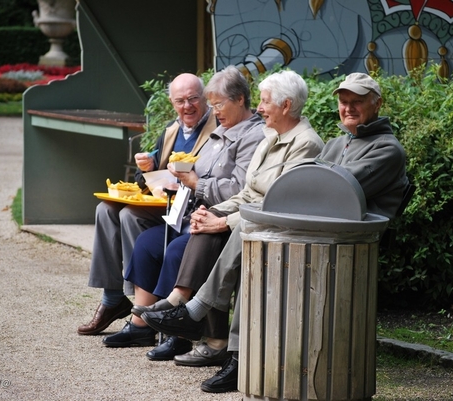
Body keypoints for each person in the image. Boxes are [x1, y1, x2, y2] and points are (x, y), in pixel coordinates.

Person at [142, 72, 408, 393]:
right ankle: (218, 339)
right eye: (344, 102)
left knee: (252, 229)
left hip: (342, 241)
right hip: (315, 231)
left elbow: (328, 190)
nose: (348, 108)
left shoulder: (386, 149)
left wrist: (236, 217)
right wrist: (219, 213)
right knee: (246, 230)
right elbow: (288, 190)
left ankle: (204, 322)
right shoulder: (339, 142)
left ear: (377, 104)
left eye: (357, 102)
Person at [138, 69, 324, 388]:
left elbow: (277, 203)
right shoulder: (270, 136)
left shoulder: (305, 144)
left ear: (286, 105)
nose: (259, 108)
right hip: (252, 219)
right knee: (203, 224)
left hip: (280, 228)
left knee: (216, 230)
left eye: (265, 102)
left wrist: (222, 220)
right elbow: (248, 193)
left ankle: (200, 323)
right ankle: (190, 315)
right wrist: (214, 213)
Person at [100, 66, 265, 360]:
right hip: (191, 210)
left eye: (217, 104)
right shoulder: (222, 129)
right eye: (212, 105)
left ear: (240, 99)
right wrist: (168, 175)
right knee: (147, 243)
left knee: (177, 249)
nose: (213, 110)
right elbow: (197, 172)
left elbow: (240, 188)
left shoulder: (251, 135)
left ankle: (177, 332)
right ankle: (142, 323)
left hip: (220, 217)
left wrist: (194, 183)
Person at [77, 73, 218, 336]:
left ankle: (140, 305)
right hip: (162, 204)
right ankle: (112, 298)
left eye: (193, 99)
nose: (187, 106)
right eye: (180, 101)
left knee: (130, 215)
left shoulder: (216, 129)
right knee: (105, 210)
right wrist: (148, 166)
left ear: (205, 98)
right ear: (172, 103)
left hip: (188, 209)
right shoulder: (170, 130)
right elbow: (148, 177)